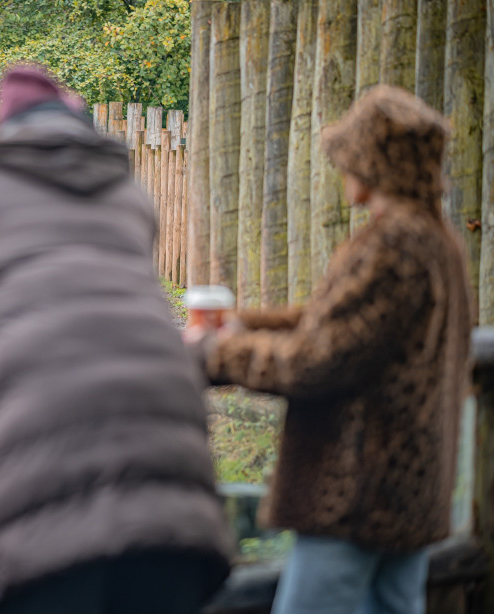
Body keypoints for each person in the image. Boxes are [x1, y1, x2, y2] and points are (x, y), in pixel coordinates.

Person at [0, 65, 233, 614]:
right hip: (177, 499)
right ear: (75, 122)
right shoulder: (126, 188)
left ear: (5, 126)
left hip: (48, 512)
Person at [192, 85, 473, 614]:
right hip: (410, 488)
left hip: (356, 489)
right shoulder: (438, 241)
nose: (343, 168)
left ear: (374, 165)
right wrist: (243, 322)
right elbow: (338, 321)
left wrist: (217, 355)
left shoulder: (392, 244)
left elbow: (322, 357)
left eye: (351, 157)